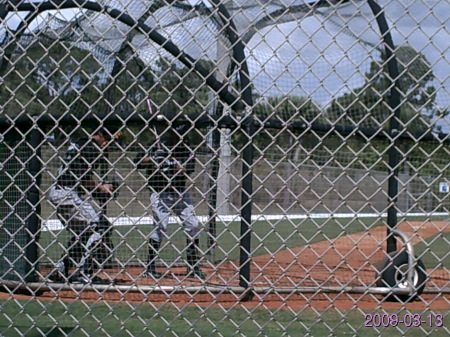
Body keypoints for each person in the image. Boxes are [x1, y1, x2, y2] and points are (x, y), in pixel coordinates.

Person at [47, 126, 122, 284]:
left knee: (85, 234)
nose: (108, 144)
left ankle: (60, 270)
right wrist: (101, 187)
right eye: (107, 139)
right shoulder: (91, 148)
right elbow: (81, 178)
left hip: (60, 192)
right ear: (100, 134)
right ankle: (84, 272)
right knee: (102, 227)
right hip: (67, 193)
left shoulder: (80, 142)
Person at [134, 125, 206, 279]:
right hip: (160, 192)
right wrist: (152, 159)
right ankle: (150, 267)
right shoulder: (157, 145)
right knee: (160, 227)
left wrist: (175, 166)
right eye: (177, 136)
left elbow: (187, 168)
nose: (180, 139)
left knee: (193, 225)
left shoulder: (186, 149)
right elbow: (138, 162)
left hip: (180, 191)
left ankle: (193, 267)